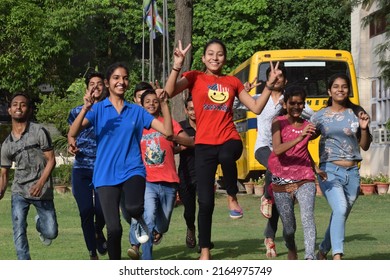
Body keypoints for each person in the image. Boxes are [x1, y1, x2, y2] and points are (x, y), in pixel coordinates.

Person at [163, 38, 282, 260]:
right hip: (204, 145)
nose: (215, 57)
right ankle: (205, 250)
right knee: (205, 202)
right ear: (203, 58)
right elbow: (169, 92)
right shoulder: (194, 77)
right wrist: (177, 64)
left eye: (219, 54)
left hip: (229, 138)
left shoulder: (232, 81)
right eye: (210, 53)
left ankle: (231, 195)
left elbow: (255, 107)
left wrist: (269, 86)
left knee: (227, 155)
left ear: (224, 58)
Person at [68, 62, 173, 260]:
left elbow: (168, 132)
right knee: (114, 230)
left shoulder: (137, 111)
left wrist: (165, 103)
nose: (121, 82)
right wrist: (85, 108)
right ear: (108, 83)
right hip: (105, 175)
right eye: (116, 78)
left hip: (133, 169)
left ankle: (140, 220)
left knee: (134, 208)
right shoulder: (98, 109)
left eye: (124, 78)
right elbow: (73, 132)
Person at [254, 64, 314, 258]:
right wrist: (242, 91)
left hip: (287, 155)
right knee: (274, 163)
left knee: (283, 206)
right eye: (273, 75)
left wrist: (289, 104)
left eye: (280, 76)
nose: (277, 78)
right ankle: (266, 196)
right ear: (268, 79)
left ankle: (269, 236)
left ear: (285, 81)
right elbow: (238, 104)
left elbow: (311, 115)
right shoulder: (260, 98)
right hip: (265, 147)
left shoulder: (291, 101)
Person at [310, 73, 371, 260]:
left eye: (344, 86)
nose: (340, 90)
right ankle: (338, 256)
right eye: (336, 86)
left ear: (348, 90)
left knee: (341, 213)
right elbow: (302, 140)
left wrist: (363, 127)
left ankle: (322, 251)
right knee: (341, 209)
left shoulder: (356, 113)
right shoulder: (319, 116)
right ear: (329, 91)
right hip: (330, 170)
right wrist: (313, 166)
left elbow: (365, 145)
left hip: (352, 173)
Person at [134, 89, 194, 260]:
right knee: (149, 216)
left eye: (155, 101)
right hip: (148, 180)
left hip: (169, 180)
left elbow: (188, 142)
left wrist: (173, 147)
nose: (151, 104)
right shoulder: (138, 126)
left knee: (163, 223)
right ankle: (147, 259)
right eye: (147, 101)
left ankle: (159, 231)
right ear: (141, 104)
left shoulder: (169, 123)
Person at [268, 86, 324, 260]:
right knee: (289, 227)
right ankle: (291, 247)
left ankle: (309, 258)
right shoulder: (277, 122)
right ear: (285, 104)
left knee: (307, 217)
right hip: (281, 178)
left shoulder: (309, 126)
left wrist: (315, 168)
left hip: (304, 178)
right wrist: (299, 137)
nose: (296, 106)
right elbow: (277, 149)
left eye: (300, 103)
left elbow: (302, 150)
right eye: (292, 103)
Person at [0, 93, 58, 260]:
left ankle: (40, 222)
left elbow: (51, 160)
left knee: (51, 232)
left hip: (42, 191)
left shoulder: (39, 131)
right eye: (15, 104)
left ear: (29, 110)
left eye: (23, 105)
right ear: (9, 110)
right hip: (19, 191)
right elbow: (4, 173)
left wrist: (40, 184)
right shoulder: (7, 144)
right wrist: (1, 190)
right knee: (18, 229)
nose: (19, 107)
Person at [67, 71, 107, 260]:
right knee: (85, 211)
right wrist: (70, 145)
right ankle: (92, 252)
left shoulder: (111, 110)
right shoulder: (76, 111)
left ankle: (98, 231)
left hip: (103, 167)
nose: (96, 87)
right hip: (82, 167)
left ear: (105, 87)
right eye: (92, 83)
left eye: (99, 83)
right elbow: (71, 134)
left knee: (101, 210)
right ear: (87, 88)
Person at [176, 95, 197, 249]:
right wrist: (184, 146)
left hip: (205, 173)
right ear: (186, 110)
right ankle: (191, 227)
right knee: (189, 211)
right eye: (190, 109)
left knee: (205, 209)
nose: (193, 112)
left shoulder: (207, 125)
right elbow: (171, 148)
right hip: (185, 175)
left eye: (196, 108)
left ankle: (204, 241)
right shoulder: (180, 127)